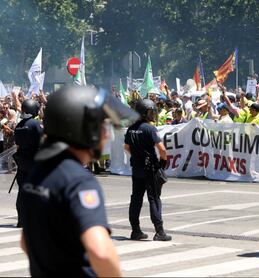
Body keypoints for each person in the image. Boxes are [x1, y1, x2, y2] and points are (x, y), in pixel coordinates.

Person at [20, 86, 135, 276]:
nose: (106, 134)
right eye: (102, 126)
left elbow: (26, 241)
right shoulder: (78, 180)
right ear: (83, 128)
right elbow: (101, 253)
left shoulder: (37, 172)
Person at [124, 99, 172, 241]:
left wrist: (137, 156)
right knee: (154, 199)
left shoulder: (131, 128)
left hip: (136, 168)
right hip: (150, 169)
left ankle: (135, 230)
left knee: (136, 199)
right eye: (150, 112)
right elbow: (162, 149)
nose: (152, 114)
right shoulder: (150, 128)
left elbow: (126, 148)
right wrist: (163, 161)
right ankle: (159, 231)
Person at [13, 99, 43, 227]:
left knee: (22, 191)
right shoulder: (36, 124)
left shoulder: (19, 125)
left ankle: (21, 220)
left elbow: (18, 144)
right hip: (35, 161)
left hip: (22, 162)